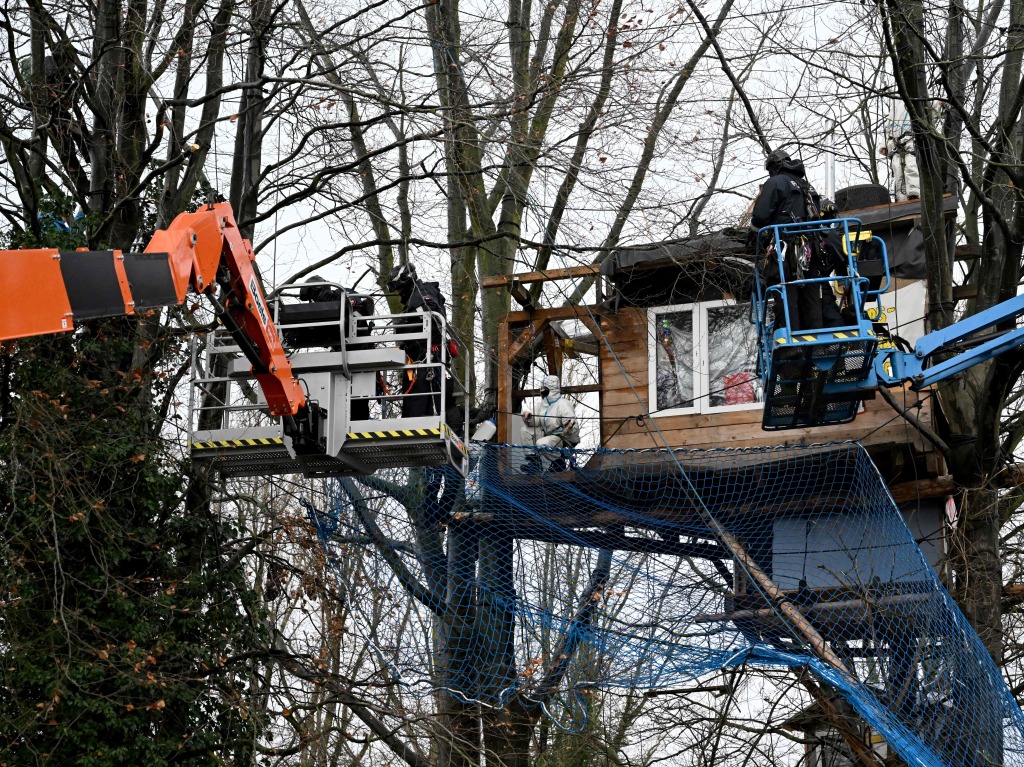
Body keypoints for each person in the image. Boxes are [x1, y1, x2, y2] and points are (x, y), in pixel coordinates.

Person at [750, 148, 841, 332]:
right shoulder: (808, 187)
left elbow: (760, 216)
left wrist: (753, 237)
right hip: (812, 250)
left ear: (774, 166)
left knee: (787, 292)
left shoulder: (775, 182)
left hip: (786, 250)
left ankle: (792, 341)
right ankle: (816, 339)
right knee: (812, 293)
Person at [521, 375, 580, 473]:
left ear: (551, 390)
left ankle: (559, 462)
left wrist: (569, 427)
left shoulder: (563, 404)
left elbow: (573, 426)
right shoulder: (542, 405)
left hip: (561, 437)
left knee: (541, 443)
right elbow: (537, 422)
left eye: (543, 389)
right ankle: (534, 462)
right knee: (525, 430)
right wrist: (530, 417)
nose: (541, 392)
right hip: (547, 435)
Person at [881, 98, 918, 202]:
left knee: (911, 166)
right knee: (898, 170)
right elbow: (888, 126)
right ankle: (902, 198)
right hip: (895, 144)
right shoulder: (895, 103)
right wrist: (884, 145)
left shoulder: (917, 96)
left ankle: (914, 194)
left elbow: (930, 106)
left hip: (910, 140)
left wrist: (940, 103)